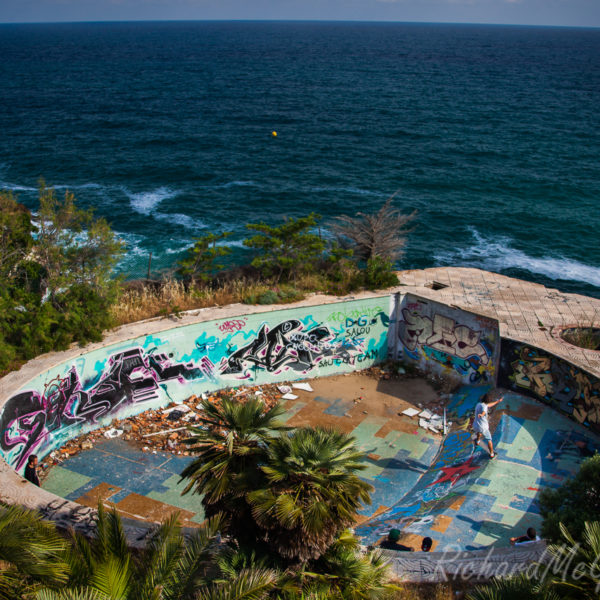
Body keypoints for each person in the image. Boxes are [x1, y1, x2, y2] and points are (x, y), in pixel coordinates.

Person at [472, 392, 504, 458]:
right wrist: (482, 414)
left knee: (478, 432)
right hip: (483, 427)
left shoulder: (479, 404)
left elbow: (489, 405)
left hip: (475, 425)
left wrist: (498, 401)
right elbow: (484, 411)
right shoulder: (484, 407)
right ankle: (492, 454)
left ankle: (477, 441)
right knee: (489, 440)